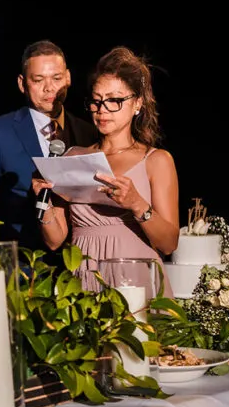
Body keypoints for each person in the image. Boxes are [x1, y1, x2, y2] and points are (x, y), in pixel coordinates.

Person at [31, 46, 179, 295]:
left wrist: (137, 204)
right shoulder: (73, 156)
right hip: (83, 279)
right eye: (96, 101)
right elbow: (55, 240)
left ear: (137, 103)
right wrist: (42, 202)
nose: (102, 109)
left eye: (114, 101)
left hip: (134, 280)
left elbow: (169, 244)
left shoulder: (156, 160)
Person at [0, 39, 97, 249]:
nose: (49, 88)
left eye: (57, 78)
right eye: (38, 80)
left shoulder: (88, 133)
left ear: (68, 78)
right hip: (20, 261)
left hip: (79, 260)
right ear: (22, 83)